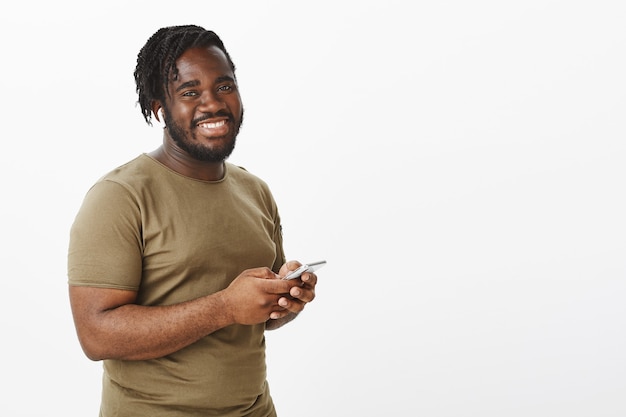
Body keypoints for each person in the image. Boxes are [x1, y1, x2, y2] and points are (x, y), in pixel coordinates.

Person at [67, 24, 318, 417]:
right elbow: (96, 335)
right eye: (189, 92)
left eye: (224, 86)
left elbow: (254, 318)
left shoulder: (255, 191)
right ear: (158, 108)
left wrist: (284, 301)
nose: (213, 103)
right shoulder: (119, 196)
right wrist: (224, 307)